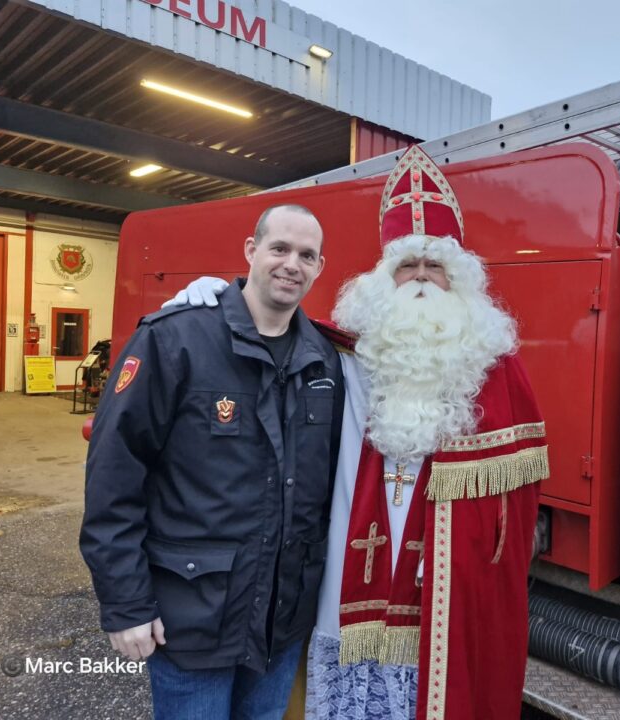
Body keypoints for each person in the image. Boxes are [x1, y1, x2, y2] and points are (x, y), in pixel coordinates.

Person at [176, 146, 549, 720]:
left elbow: (514, 511)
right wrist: (210, 294)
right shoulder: (345, 350)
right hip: (348, 558)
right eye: (408, 265)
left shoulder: (494, 362)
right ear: (384, 276)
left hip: (445, 581)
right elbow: (267, 317)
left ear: (459, 279)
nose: (421, 279)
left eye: (435, 267)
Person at [80, 204, 345, 720]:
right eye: (280, 248)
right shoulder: (173, 339)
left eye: (306, 255)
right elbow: (114, 477)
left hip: (280, 625)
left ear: (319, 268)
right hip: (193, 619)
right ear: (251, 251)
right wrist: (126, 605)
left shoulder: (325, 359)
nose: (292, 264)